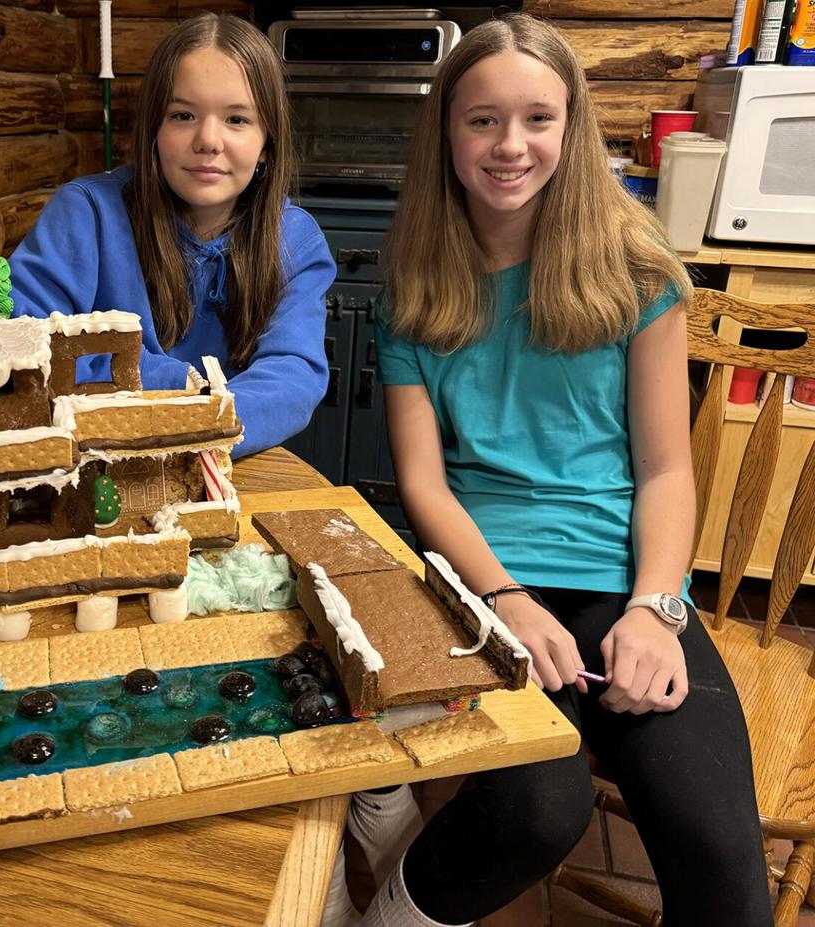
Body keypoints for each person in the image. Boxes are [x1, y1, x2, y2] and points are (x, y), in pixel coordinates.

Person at [335, 14, 772, 927]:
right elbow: (423, 483)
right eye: (482, 120)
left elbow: (664, 472)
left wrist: (657, 608)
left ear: (570, 130)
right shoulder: (417, 288)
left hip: (625, 582)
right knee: (538, 810)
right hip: (485, 580)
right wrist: (504, 599)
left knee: (721, 853)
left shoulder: (636, 272)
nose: (510, 145)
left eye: (537, 118)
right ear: (447, 134)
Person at [5, 13, 335, 459]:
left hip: (228, 462)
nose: (208, 140)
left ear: (267, 144)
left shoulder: (296, 240)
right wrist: (182, 387)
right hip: (94, 460)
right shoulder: (85, 213)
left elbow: (292, 376)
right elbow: (31, 344)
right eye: (183, 115)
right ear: (153, 131)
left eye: (237, 119)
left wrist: (196, 421)